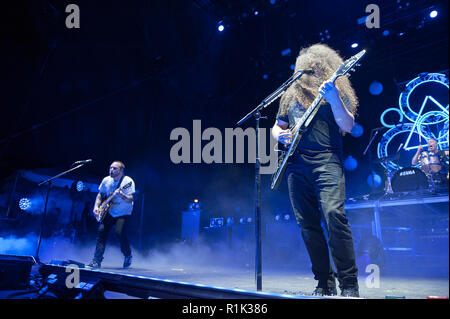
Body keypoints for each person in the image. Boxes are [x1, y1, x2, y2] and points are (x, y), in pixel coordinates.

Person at [271, 44, 360, 297]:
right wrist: (281, 136)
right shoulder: (289, 94)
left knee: (334, 216)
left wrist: (332, 99)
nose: (309, 71)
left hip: (327, 162)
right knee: (308, 225)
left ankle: (349, 283)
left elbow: (348, 125)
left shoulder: (336, 89)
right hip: (296, 165)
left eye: (314, 67)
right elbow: (277, 127)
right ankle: (324, 282)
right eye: (305, 68)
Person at [88, 161, 135, 269]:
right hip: (110, 211)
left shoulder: (128, 181)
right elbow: (100, 194)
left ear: (121, 171)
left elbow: (130, 199)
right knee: (101, 233)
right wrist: (96, 207)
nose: (111, 170)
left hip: (123, 212)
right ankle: (96, 261)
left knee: (119, 233)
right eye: (110, 168)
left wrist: (122, 195)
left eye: (114, 168)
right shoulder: (106, 180)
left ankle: (128, 255)